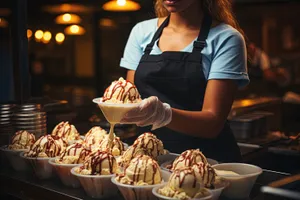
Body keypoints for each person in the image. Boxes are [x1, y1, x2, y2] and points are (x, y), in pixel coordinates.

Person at [120, 0, 249, 162]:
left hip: (206, 162)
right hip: (149, 160)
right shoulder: (141, 31)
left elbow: (213, 123)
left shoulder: (226, 38)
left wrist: (163, 114)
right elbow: (131, 99)